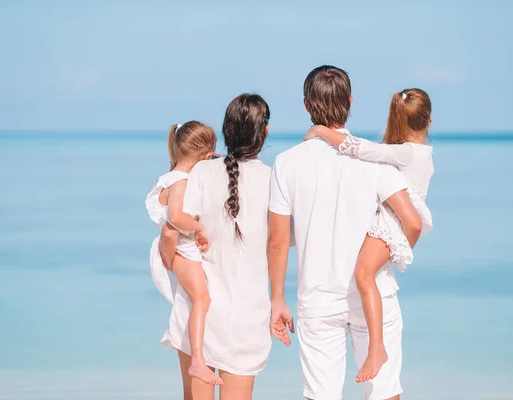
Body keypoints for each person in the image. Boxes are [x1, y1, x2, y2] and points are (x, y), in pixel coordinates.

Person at [268, 65, 422, 400]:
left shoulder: (286, 163)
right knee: (384, 393)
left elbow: (278, 241)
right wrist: (390, 256)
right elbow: (412, 222)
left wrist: (277, 298)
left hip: (318, 298)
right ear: (350, 101)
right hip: (375, 294)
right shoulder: (375, 159)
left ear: (307, 105)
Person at [303, 88, 434, 382]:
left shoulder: (407, 152)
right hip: (392, 222)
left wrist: (322, 131)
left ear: (396, 117)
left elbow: (361, 148)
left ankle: (377, 348)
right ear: (429, 120)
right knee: (365, 275)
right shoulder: (418, 152)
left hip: (390, 223)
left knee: (363, 274)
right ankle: (375, 347)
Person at [160, 93, 273, 400]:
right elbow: (279, 243)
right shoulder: (274, 181)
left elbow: (171, 231)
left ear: (225, 132)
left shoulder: (200, 173)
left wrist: (168, 262)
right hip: (246, 320)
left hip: (200, 314)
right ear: (264, 132)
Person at [145, 120, 222, 385]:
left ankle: (196, 359)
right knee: (202, 299)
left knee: (194, 302)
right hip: (182, 251)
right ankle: (198, 361)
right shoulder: (182, 181)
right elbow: (174, 220)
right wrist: (199, 227)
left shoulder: (168, 177)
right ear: (204, 154)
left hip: (175, 252)